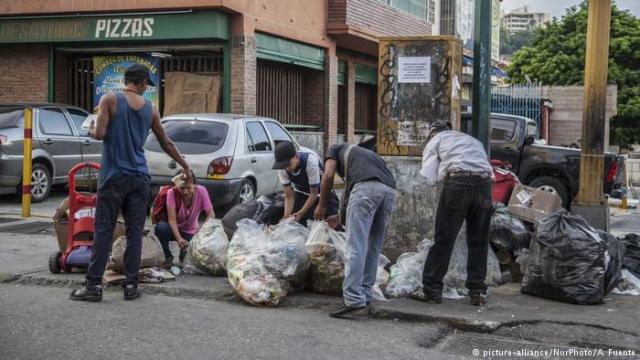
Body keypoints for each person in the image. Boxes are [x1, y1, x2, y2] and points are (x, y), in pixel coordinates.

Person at [71, 64, 191, 302]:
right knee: (135, 232)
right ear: (143, 83)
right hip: (139, 178)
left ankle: (93, 286)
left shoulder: (110, 99)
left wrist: (93, 126)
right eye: (147, 85)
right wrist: (184, 165)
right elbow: (166, 143)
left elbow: (100, 134)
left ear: (127, 80)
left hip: (114, 177)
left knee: (104, 231)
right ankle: (131, 286)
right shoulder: (151, 109)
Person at [411, 121, 494, 306]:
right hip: (484, 184)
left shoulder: (436, 140)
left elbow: (429, 175)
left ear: (432, 133)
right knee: (479, 240)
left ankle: (432, 291)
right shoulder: (471, 140)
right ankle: (477, 291)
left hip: (458, 184)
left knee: (444, 238)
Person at [314, 143, 397, 318]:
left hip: (366, 189)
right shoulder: (364, 155)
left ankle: (353, 299)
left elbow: (328, 175)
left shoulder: (334, 149)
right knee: (373, 246)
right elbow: (349, 195)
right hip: (389, 190)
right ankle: (365, 295)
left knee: (355, 246)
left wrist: (322, 205)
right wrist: (340, 216)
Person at [271, 141, 339, 226]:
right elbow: (289, 196)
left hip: (322, 194)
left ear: (296, 156)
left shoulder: (310, 162)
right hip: (301, 193)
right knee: (294, 223)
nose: (287, 168)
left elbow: (313, 194)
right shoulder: (282, 168)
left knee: (331, 224)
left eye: (289, 164)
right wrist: (286, 217)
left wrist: (301, 213)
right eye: (284, 165)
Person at [155, 173, 215, 266]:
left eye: (188, 188)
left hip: (190, 230)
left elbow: (211, 214)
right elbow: (172, 220)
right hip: (173, 228)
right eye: (182, 188)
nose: (185, 192)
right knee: (160, 228)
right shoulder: (172, 192)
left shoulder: (201, 191)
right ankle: (168, 256)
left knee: (187, 259)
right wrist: (179, 238)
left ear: (194, 184)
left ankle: (183, 253)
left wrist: (200, 234)